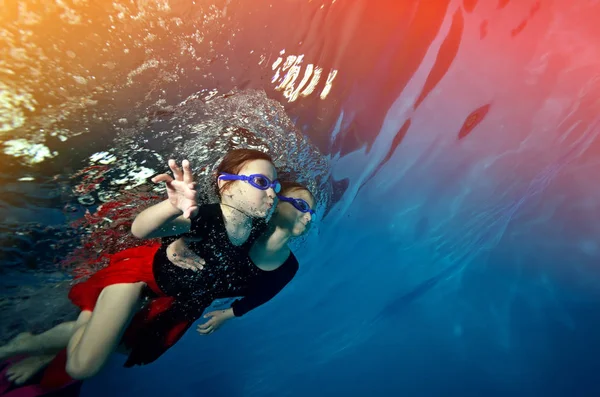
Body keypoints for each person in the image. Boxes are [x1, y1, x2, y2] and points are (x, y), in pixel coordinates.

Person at [0, 148, 279, 390]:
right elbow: (141, 229)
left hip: (174, 298)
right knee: (82, 367)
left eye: (275, 186)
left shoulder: (257, 230)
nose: (271, 193)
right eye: (261, 182)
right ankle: (30, 343)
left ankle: (54, 348)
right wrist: (171, 207)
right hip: (140, 277)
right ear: (226, 185)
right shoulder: (208, 217)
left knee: (125, 345)